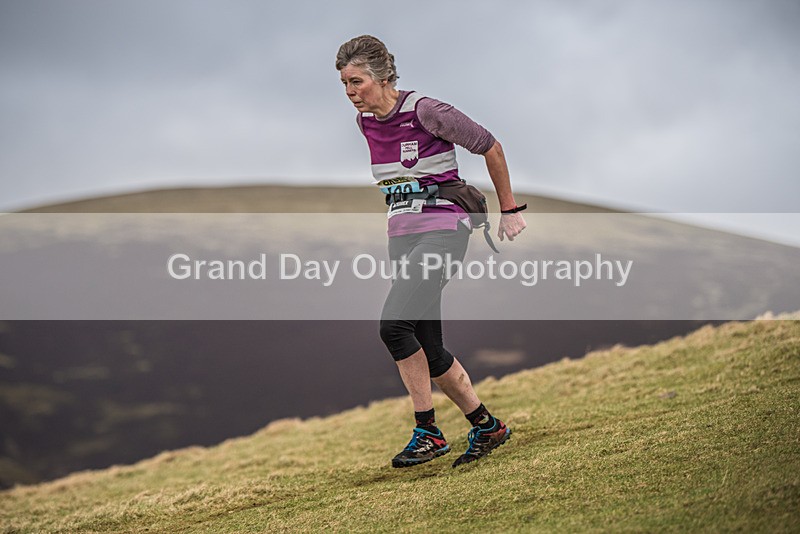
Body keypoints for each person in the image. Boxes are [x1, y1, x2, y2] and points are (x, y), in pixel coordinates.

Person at [336, 35, 527, 468]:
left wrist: (509, 210)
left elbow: (490, 146)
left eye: (357, 82)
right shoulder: (365, 123)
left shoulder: (426, 111)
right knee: (429, 346)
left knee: (393, 326)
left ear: (383, 78)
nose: (350, 92)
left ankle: (428, 431)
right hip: (401, 234)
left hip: (444, 229)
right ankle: (486, 426)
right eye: (344, 84)